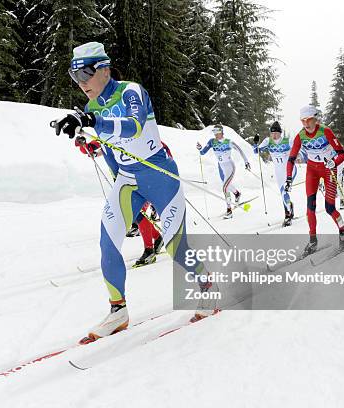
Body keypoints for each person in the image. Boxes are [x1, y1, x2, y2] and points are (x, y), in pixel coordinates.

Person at [53, 42, 214, 342]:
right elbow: (115, 148)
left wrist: (93, 122)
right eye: (75, 77)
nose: (82, 83)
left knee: (174, 246)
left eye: (86, 73)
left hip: (160, 176)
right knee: (108, 240)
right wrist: (96, 147)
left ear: (104, 69)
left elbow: (134, 127)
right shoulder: (92, 108)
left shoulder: (130, 92)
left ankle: (206, 285)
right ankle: (118, 312)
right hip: (128, 179)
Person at [74, 137, 164, 266]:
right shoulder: (103, 139)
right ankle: (157, 238)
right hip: (122, 183)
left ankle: (149, 250)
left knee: (139, 214)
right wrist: (80, 144)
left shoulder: (124, 138)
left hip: (138, 179)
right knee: (137, 216)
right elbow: (89, 151)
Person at [285, 105, 344, 255]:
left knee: (329, 208)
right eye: (303, 121)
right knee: (310, 207)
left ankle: (343, 230)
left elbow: (342, 154)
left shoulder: (325, 131)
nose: (306, 124)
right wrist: (288, 178)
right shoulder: (300, 136)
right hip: (312, 170)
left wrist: (334, 162)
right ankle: (313, 240)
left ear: (315, 118)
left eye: (309, 120)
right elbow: (291, 158)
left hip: (328, 168)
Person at [197, 124, 250, 219]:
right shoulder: (212, 142)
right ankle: (237, 193)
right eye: (214, 132)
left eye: (217, 132)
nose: (215, 134)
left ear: (221, 132)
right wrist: (200, 148)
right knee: (226, 186)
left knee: (225, 187)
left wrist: (246, 162)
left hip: (229, 166)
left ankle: (229, 210)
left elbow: (240, 150)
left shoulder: (228, 142)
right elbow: (202, 152)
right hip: (221, 167)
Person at [252, 121, 296, 226]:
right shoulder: (268, 141)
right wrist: (255, 143)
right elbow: (256, 151)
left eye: (276, 133)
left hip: (290, 170)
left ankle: (288, 215)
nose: (274, 135)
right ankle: (290, 208)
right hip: (279, 171)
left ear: (280, 133)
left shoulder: (287, 141)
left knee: (284, 191)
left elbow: (298, 149)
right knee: (283, 194)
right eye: (272, 133)